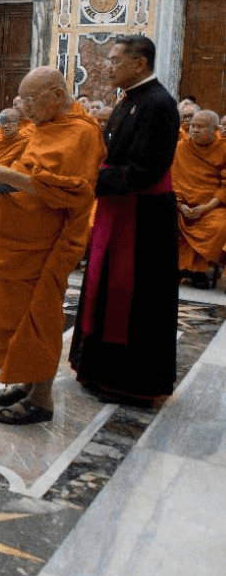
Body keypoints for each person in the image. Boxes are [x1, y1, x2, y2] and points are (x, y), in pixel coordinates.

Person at [0, 67, 105, 425]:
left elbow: (76, 191)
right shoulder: (45, 127)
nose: (24, 108)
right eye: (23, 100)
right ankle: (26, 380)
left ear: (58, 96)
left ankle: (42, 398)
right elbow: (31, 172)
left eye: (31, 100)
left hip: (45, 244)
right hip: (11, 237)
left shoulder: (81, 133)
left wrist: (11, 177)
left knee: (38, 317)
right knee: (2, 314)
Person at [72, 35, 180, 406]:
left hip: (143, 218)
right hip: (117, 209)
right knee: (103, 291)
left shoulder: (159, 104)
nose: (107, 65)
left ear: (140, 63)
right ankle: (97, 370)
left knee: (136, 299)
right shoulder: (128, 101)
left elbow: (147, 169)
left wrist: (90, 180)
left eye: (115, 60)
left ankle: (131, 382)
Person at [172, 109, 226, 288]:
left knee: (220, 225)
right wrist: (180, 205)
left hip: (211, 206)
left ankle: (199, 271)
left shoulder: (223, 148)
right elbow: (173, 179)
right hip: (181, 203)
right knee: (164, 217)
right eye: (193, 126)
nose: (194, 130)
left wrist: (206, 207)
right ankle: (178, 267)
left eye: (201, 127)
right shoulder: (181, 147)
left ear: (215, 129)